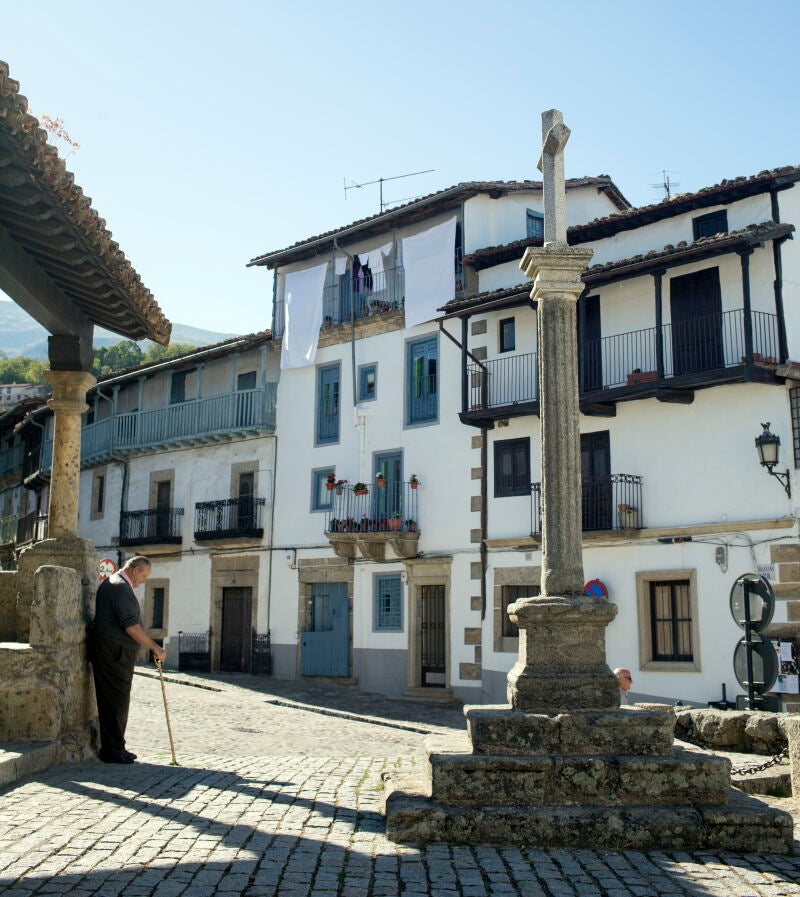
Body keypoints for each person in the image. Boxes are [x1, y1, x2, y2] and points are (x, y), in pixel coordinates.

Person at [88, 556, 166, 764]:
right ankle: (112, 749)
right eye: (143, 575)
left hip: (116, 652)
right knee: (113, 701)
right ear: (134, 570)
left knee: (119, 700)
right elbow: (131, 626)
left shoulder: (117, 584)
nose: (143, 581)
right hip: (113, 652)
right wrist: (154, 647)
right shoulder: (119, 587)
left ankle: (117, 745)